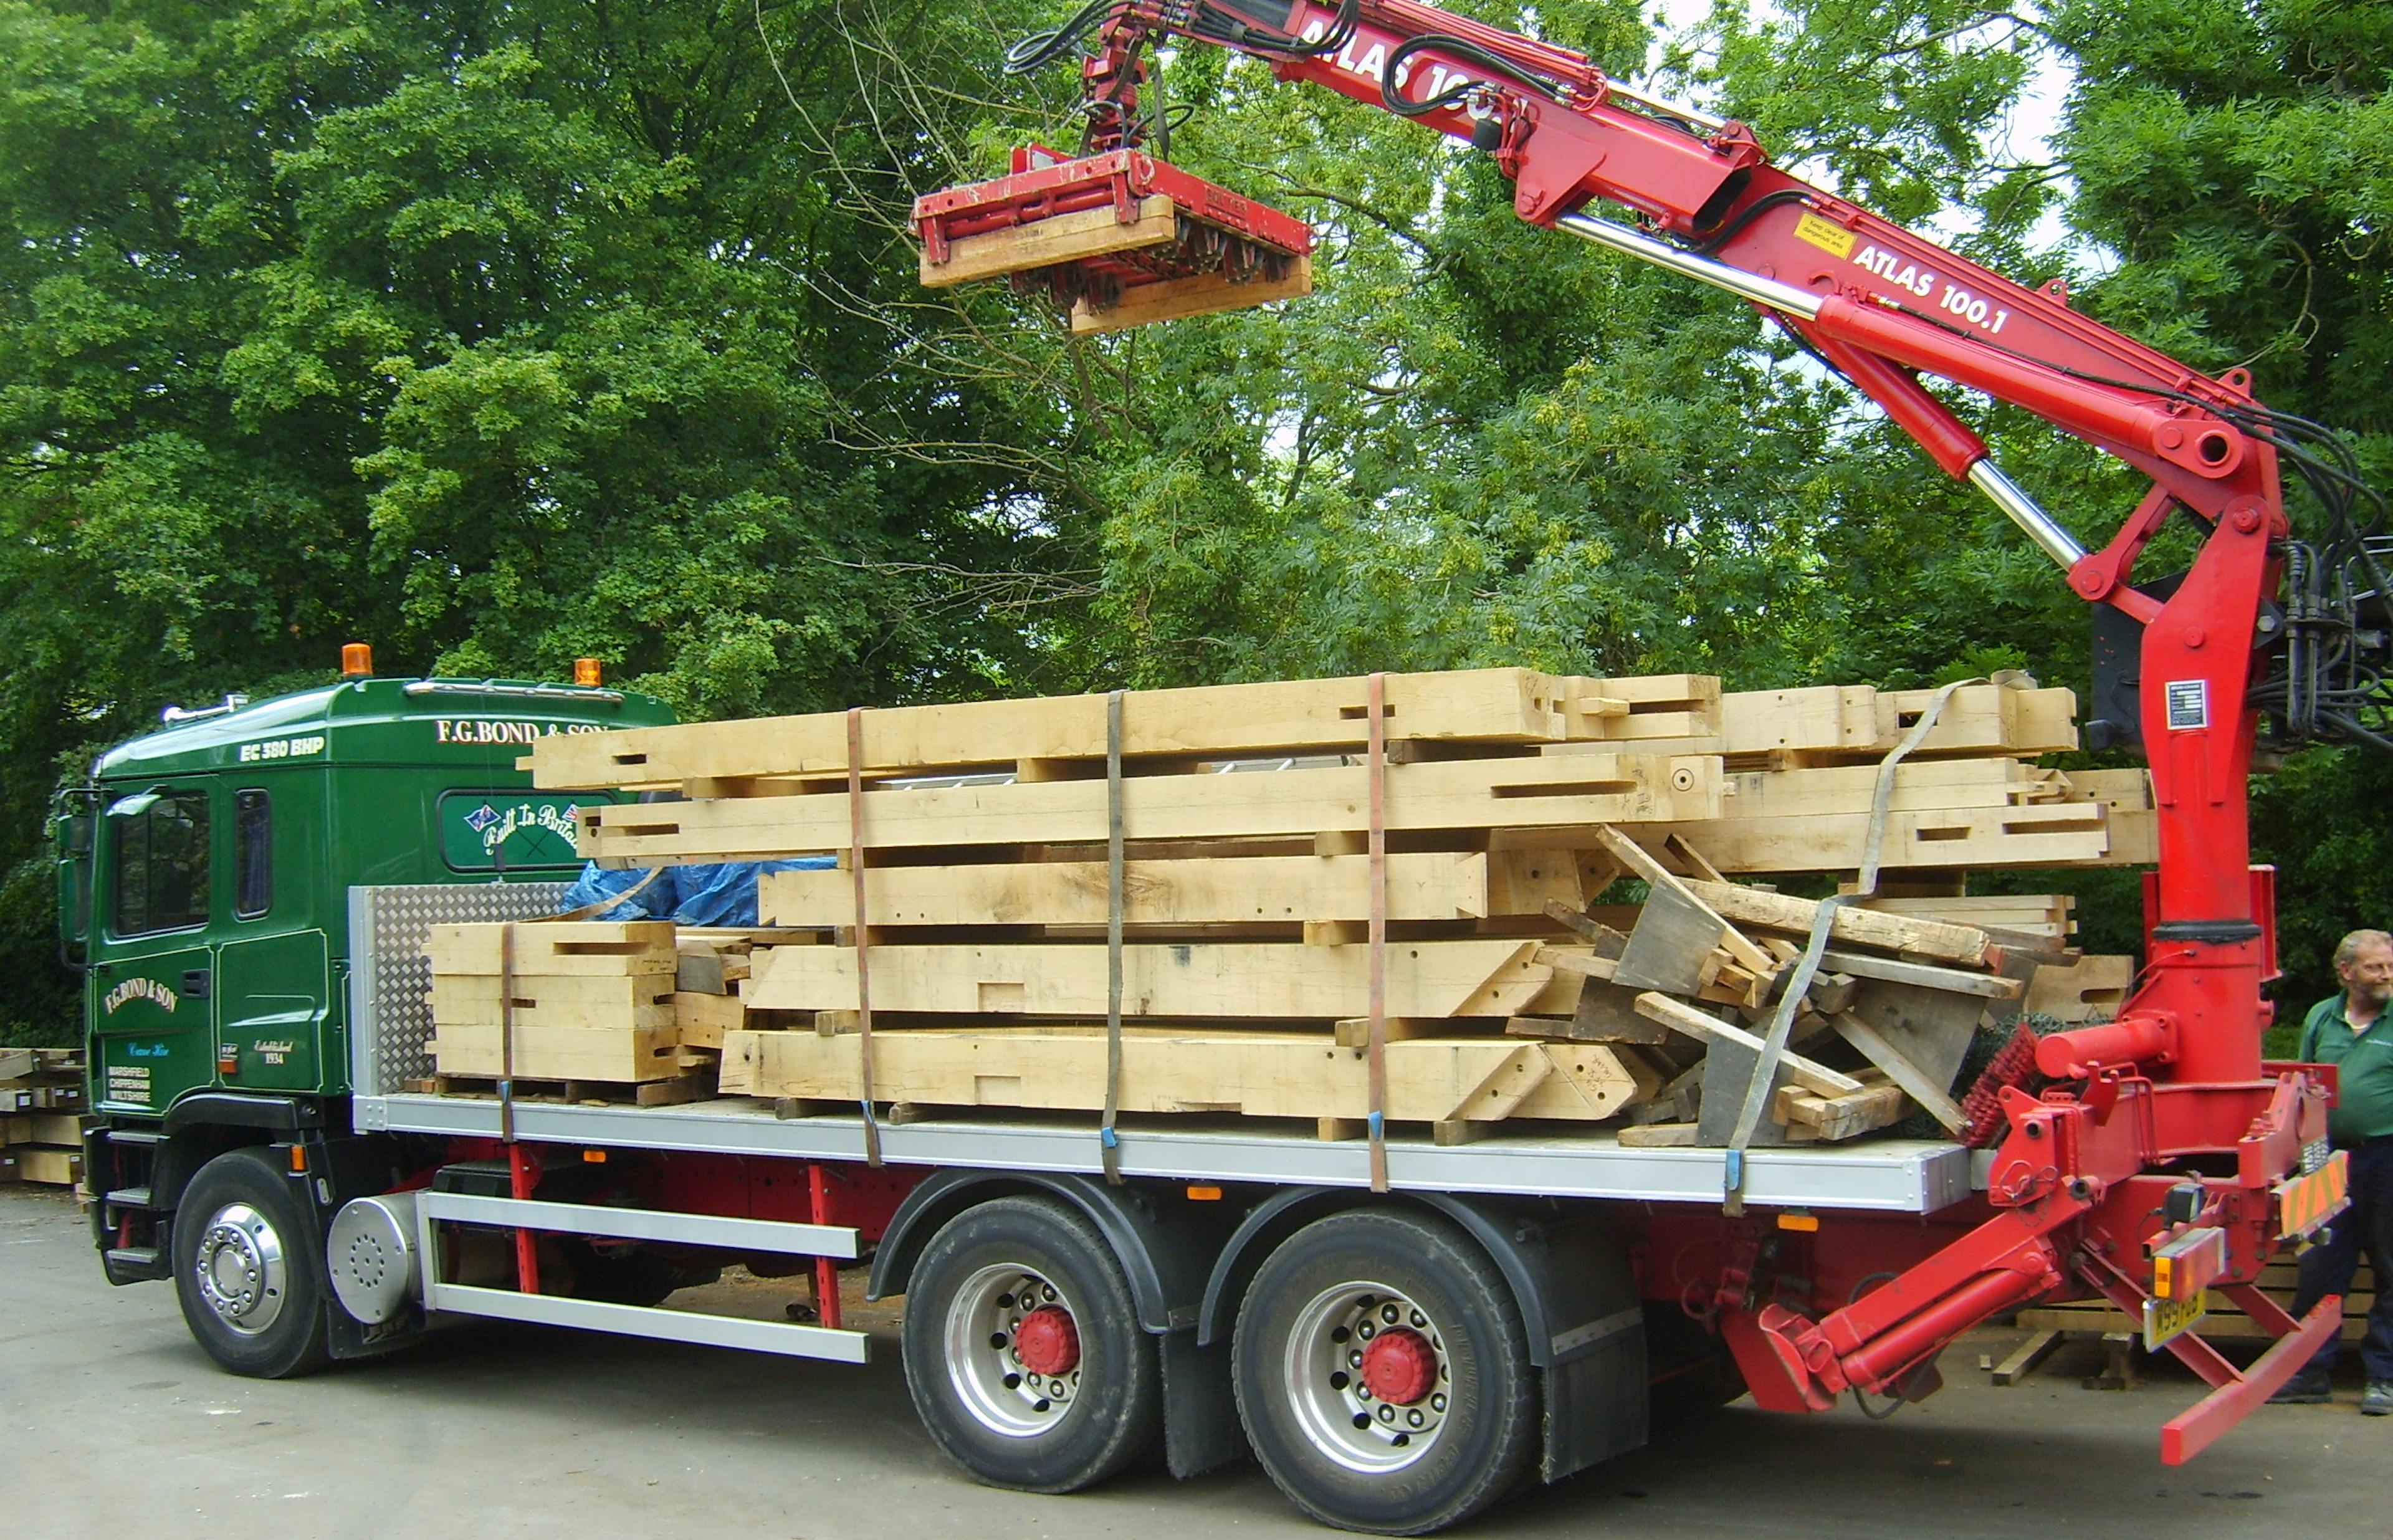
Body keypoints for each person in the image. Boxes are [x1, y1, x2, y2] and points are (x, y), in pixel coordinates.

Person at [2273, 928, 2393, 1411]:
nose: (2386, 975)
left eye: (2389, 967)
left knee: (2391, 1267)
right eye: (2375, 967)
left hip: (2386, 1157)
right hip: (2326, 1156)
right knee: (2321, 1265)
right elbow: (2298, 1087)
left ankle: (2384, 1377)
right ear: (2347, 971)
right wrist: (2297, 1161)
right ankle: (2309, 1373)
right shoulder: (2321, 1016)